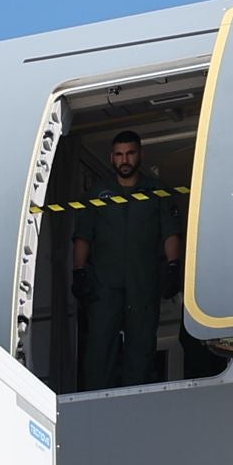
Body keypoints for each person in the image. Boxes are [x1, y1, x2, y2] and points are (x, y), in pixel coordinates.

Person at [70, 128, 182, 391]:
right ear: (111, 158)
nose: (125, 160)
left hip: (143, 282)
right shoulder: (97, 194)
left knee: (141, 346)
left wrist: (174, 266)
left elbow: (170, 233)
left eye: (130, 153)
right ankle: (96, 402)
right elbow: (83, 236)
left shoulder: (157, 191)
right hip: (104, 284)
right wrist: (78, 271)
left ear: (139, 154)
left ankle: (137, 400)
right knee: (100, 346)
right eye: (119, 155)